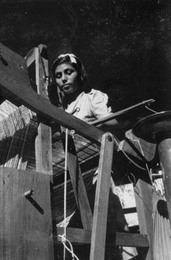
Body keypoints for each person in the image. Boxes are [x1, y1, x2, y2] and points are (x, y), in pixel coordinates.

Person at [49, 53, 138, 260]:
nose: (63, 78)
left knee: (106, 222)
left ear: (79, 75)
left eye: (68, 72)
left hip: (96, 171)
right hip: (72, 178)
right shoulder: (62, 110)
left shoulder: (91, 98)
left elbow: (110, 124)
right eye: (58, 75)